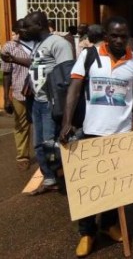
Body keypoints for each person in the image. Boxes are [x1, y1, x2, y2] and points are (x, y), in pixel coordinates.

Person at [59, 16, 133, 257]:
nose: (119, 40)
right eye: (114, 35)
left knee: (114, 185)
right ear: (106, 36)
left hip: (122, 133)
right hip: (92, 131)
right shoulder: (89, 56)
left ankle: (109, 225)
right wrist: (67, 122)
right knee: (89, 185)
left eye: (124, 35)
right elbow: (74, 90)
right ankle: (87, 233)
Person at [1, 11, 74, 194]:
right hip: (37, 102)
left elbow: (66, 75)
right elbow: (36, 64)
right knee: (39, 144)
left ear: (40, 25)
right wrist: (13, 59)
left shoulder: (59, 43)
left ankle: (64, 176)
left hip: (50, 102)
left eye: (27, 26)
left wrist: (63, 107)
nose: (23, 30)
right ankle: (49, 179)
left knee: (51, 143)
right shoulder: (39, 44)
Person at [1, 19, 34, 170]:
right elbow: (7, 73)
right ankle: (23, 156)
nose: (25, 31)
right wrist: (6, 97)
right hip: (20, 93)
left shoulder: (41, 44)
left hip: (41, 93)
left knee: (43, 125)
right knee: (21, 125)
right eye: (22, 29)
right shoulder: (9, 47)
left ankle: (47, 155)